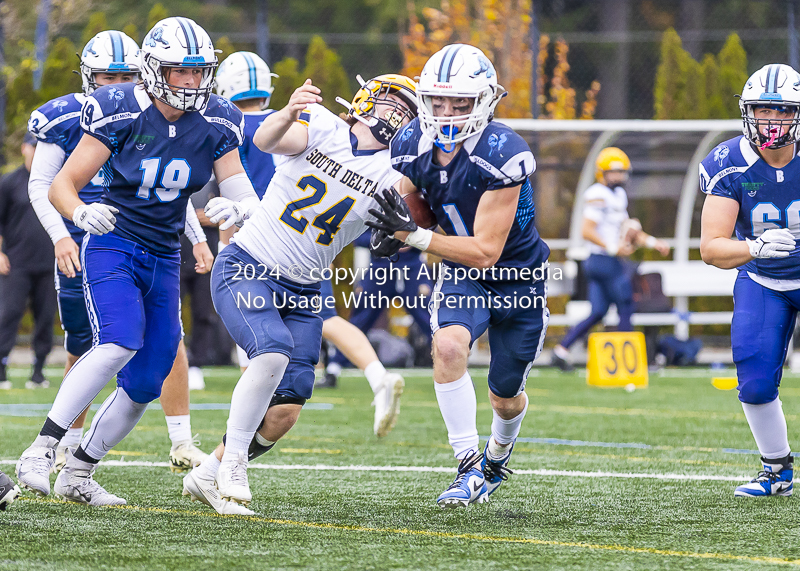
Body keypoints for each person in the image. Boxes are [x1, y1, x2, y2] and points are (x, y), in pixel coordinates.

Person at [15, 17, 256, 507]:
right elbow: (61, 184)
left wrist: (239, 209)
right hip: (114, 243)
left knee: (148, 379)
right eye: (178, 71)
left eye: (198, 72)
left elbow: (244, 193)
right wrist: (80, 212)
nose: (191, 82)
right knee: (118, 341)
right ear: (152, 70)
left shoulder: (219, 119)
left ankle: (78, 472)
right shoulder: (118, 109)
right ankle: (40, 450)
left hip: (165, 253)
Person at [183, 73, 417, 515]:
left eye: (406, 113)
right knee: (271, 351)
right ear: (366, 100)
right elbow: (271, 141)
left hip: (307, 287)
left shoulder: (395, 172)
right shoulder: (325, 125)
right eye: (392, 104)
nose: (397, 116)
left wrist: (400, 236)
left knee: (286, 410)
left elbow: (405, 228)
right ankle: (233, 463)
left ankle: (206, 474)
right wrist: (289, 110)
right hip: (249, 265)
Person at [366, 44, 549, 508]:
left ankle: (495, 459)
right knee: (447, 345)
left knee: (505, 398)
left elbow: (486, 251)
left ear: (485, 101)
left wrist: (416, 237)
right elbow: (414, 203)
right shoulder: (410, 143)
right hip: (460, 272)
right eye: (438, 102)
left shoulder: (503, 152)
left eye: (460, 103)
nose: (447, 113)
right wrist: (398, 226)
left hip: (517, 278)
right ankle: (468, 464)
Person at [26, 30, 211, 473]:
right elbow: (43, 184)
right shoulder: (68, 115)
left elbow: (170, 186)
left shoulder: (161, 112)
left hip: (148, 239)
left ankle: (175, 439)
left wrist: (197, 236)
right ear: (90, 76)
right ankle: (63, 444)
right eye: (109, 76)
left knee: (164, 342)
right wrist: (61, 234)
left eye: (126, 75)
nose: (117, 85)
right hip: (85, 236)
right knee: (87, 343)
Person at [699, 63, 800, 498]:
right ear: (747, 111)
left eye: (783, 112)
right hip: (763, 278)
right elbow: (712, 247)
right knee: (756, 380)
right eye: (763, 110)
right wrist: (755, 248)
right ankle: (777, 469)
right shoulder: (728, 162)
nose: (773, 121)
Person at [550, 147, 670, 372]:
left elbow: (626, 228)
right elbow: (586, 230)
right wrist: (613, 247)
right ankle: (628, 363)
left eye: (622, 172)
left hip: (603, 260)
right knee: (626, 303)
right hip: (602, 260)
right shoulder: (597, 193)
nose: (620, 176)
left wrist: (653, 242)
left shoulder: (618, 195)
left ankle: (561, 350)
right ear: (602, 173)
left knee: (598, 310)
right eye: (615, 172)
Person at [320, 232, 432, 388]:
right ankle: (333, 370)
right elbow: (357, 237)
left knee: (432, 321)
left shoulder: (417, 208)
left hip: (412, 268)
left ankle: (456, 371)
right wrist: (388, 240)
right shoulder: (372, 207)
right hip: (380, 269)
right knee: (358, 322)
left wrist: (412, 241)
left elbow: (433, 231)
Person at [0, 134, 56, 390]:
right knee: (8, 315)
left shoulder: (56, 181)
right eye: (33, 147)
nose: (37, 151)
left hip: (49, 263)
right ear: (24, 148)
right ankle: (1, 371)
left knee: (45, 318)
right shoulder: (9, 182)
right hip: (16, 264)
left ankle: (38, 372)